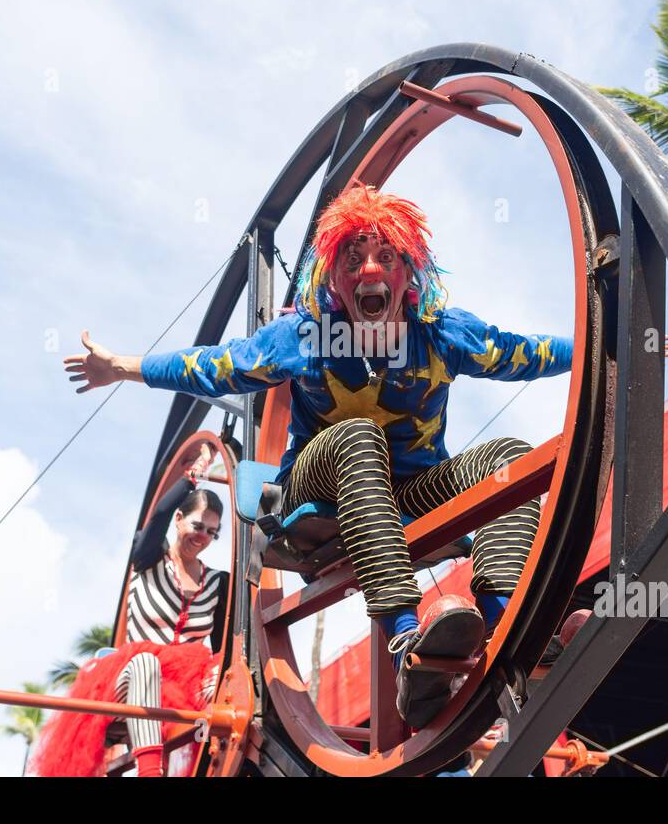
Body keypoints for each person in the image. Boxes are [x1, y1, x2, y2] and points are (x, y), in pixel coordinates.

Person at [64, 182, 577, 727]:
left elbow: (525, 353)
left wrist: (611, 336)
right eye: (353, 260)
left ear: (409, 273)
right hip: (318, 490)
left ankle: (509, 621)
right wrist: (123, 367)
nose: (371, 270)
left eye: (386, 257)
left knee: (507, 457)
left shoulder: (442, 334)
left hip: (412, 495)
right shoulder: (304, 337)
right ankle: (406, 638)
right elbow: (217, 366)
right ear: (332, 277)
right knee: (358, 435)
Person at [31, 443, 227, 777]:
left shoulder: (216, 583)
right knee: (146, 664)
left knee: (223, 676)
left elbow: (224, 651)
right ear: (179, 520)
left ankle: (218, 765)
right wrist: (197, 472)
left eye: (212, 532)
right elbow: (158, 517)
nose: (203, 537)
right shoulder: (149, 557)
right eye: (197, 526)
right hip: (130, 683)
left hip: (183, 692)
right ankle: (150, 773)